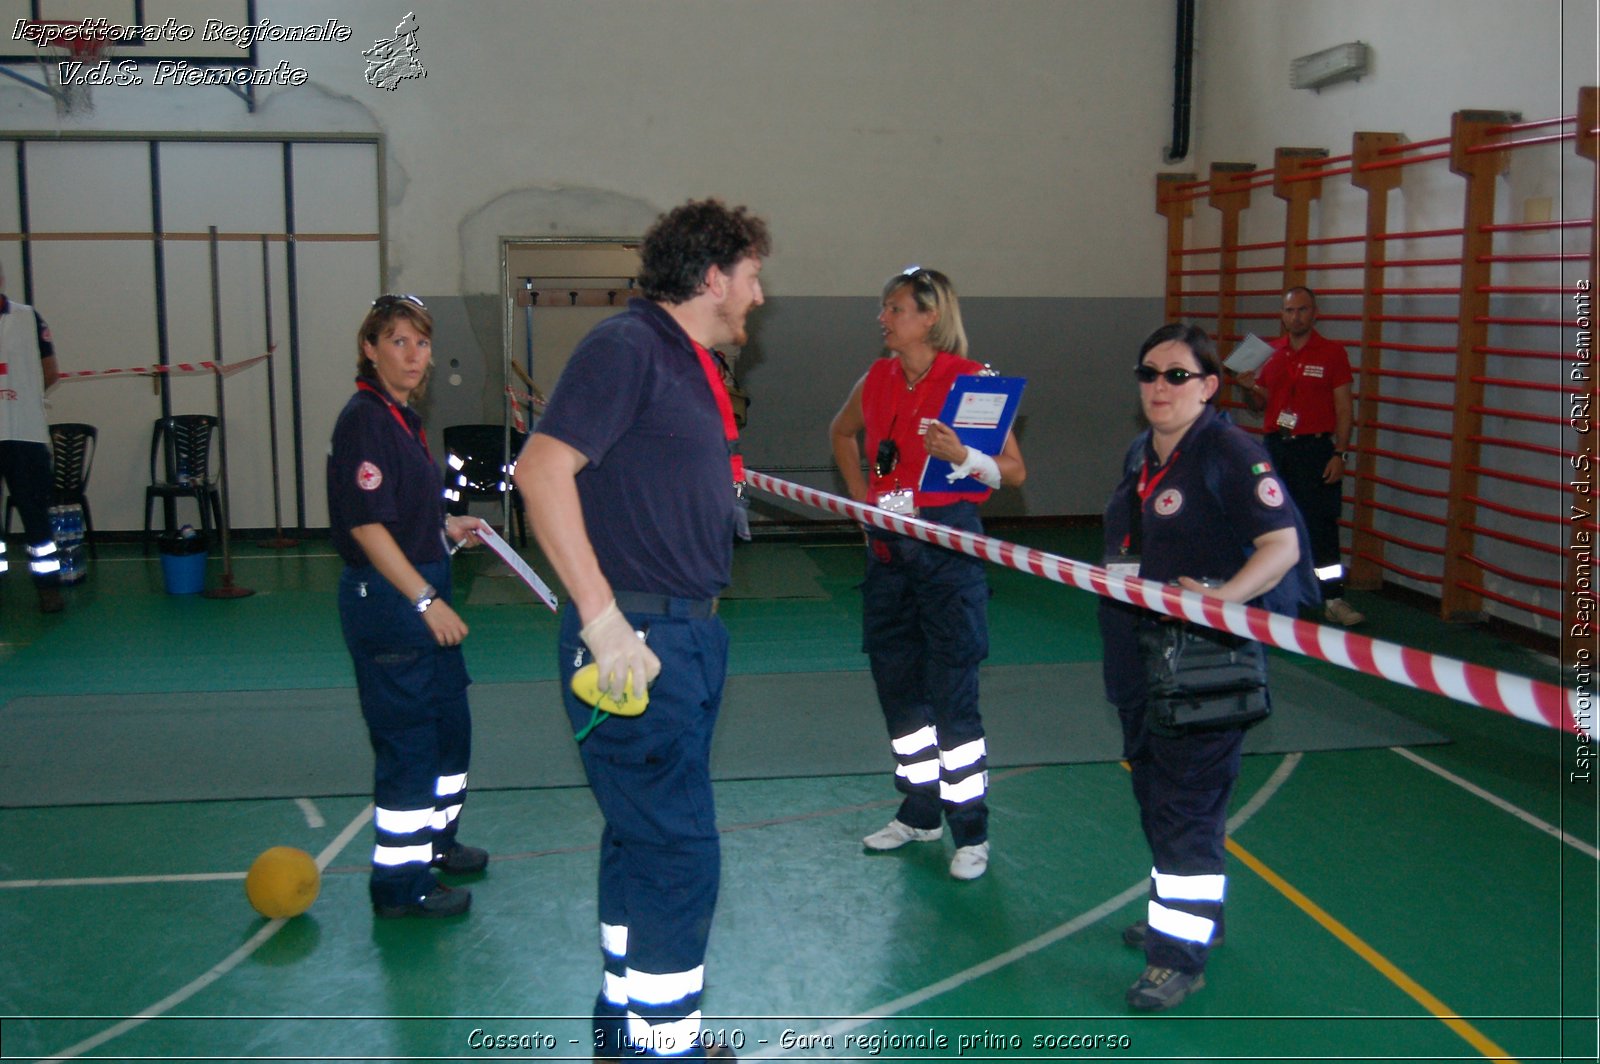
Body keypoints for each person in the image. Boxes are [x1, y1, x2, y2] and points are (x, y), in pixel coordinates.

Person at [515, 198, 770, 1061]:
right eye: (751, 275)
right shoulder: (628, 349)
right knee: (678, 856)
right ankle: (667, 1047)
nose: (759, 296)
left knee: (644, 839)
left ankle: (625, 1025)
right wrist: (604, 619)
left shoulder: (684, 361)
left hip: (684, 639)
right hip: (642, 642)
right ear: (711, 278)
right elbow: (541, 469)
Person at [1099, 323, 1303, 1011]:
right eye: (1149, 373)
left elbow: (1281, 545)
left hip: (1203, 670)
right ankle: (1186, 918)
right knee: (1160, 800)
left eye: (1176, 375)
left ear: (1209, 386)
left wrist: (1220, 602)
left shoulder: (1229, 451)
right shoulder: (1142, 453)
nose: (1159, 386)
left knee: (1187, 811)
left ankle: (1178, 957)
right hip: (1140, 660)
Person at [828, 266, 1025, 882]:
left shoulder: (971, 383)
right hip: (888, 553)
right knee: (898, 688)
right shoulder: (877, 377)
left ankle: (971, 830)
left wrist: (964, 457)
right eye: (884, 309)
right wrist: (863, 502)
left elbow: (1014, 472)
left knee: (952, 697)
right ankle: (919, 813)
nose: (883, 319)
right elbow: (841, 433)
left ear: (928, 316)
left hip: (947, 552)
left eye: (894, 309)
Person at [328, 293, 490, 920]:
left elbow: (401, 512)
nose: (414, 354)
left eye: (421, 342)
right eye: (398, 341)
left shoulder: (403, 420)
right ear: (370, 349)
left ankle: (437, 844)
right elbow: (369, 528)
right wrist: (424, 599)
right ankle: (400, 886)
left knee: (451, 732)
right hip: (393, 603)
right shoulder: (364, 419)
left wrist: (445, 527)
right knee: (410, 748)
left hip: (424, 585)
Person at [1234, 286, 1363, 626]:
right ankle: (1275, 593)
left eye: (1302, 310)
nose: (1296, 317)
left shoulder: (1333, 353)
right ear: (1282, 315)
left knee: (1320, 524)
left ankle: (1333, 598)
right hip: (1276, 448)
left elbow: (1344, 407)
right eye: (1290, 311)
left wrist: (1341, 453)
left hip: (1316, 449)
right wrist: (1249, 389)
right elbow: (1258, 405)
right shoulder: (1270, 353)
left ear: (1314, 313)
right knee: (1272, 522)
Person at [0, 267, 65, 614]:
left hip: (23, 435)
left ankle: (48, 589)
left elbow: (50, 371)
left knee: (35, 516)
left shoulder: (28, 319)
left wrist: (22, 398)